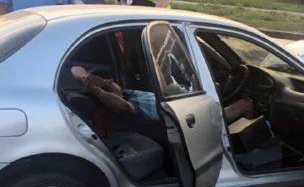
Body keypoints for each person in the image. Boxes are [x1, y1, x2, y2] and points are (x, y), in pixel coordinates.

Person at [70, 66, 254, 124]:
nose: (110, 79)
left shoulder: (128, 93)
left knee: (215, 86)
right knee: (244, 104)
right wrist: (96, 89)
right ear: (109, 94)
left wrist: (87, 79)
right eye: (108, 82)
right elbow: (120, 106)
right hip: (184, 119)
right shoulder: (130, 106)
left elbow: (75, 69)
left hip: (181, 102)